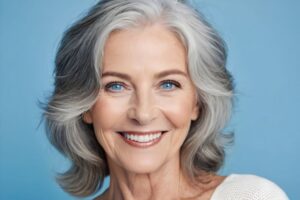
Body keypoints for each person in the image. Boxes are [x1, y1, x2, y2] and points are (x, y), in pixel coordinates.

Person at [42, 0, 289, 199]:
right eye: (116, 86)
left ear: (197, 102)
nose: (143, 113)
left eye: (168, 84)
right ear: (85, 105)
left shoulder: (252, 196)